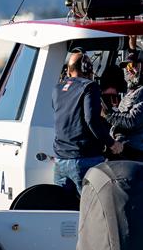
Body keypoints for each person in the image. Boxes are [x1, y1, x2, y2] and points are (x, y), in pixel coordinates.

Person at [53, 50, 123, 194]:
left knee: (63, 210)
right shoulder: (90, 87)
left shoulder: (57, 89)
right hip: (84, 159)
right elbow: (91, 120)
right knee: (91, 210)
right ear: (87, 69)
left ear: (69, 70)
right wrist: (112, 143)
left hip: (60, 160)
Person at [104, 50, 143, 162]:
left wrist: (107, 115)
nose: (128, 71)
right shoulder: (137, 88)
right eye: (126, 67)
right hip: (122, 149)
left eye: (131, 66)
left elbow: (133, 121)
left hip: (132, 153)